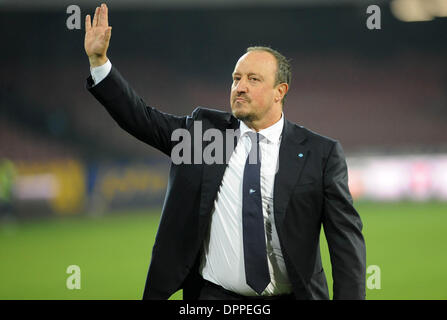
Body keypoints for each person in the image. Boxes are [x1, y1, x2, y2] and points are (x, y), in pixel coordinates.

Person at [84, 3, 366, 300]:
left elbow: (345, 243)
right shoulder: (203, 136)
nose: (240, 87)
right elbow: (139, 117)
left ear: (279, 92)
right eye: (236, 78)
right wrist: (99, 62)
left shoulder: (320, 153)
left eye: (253, 79)